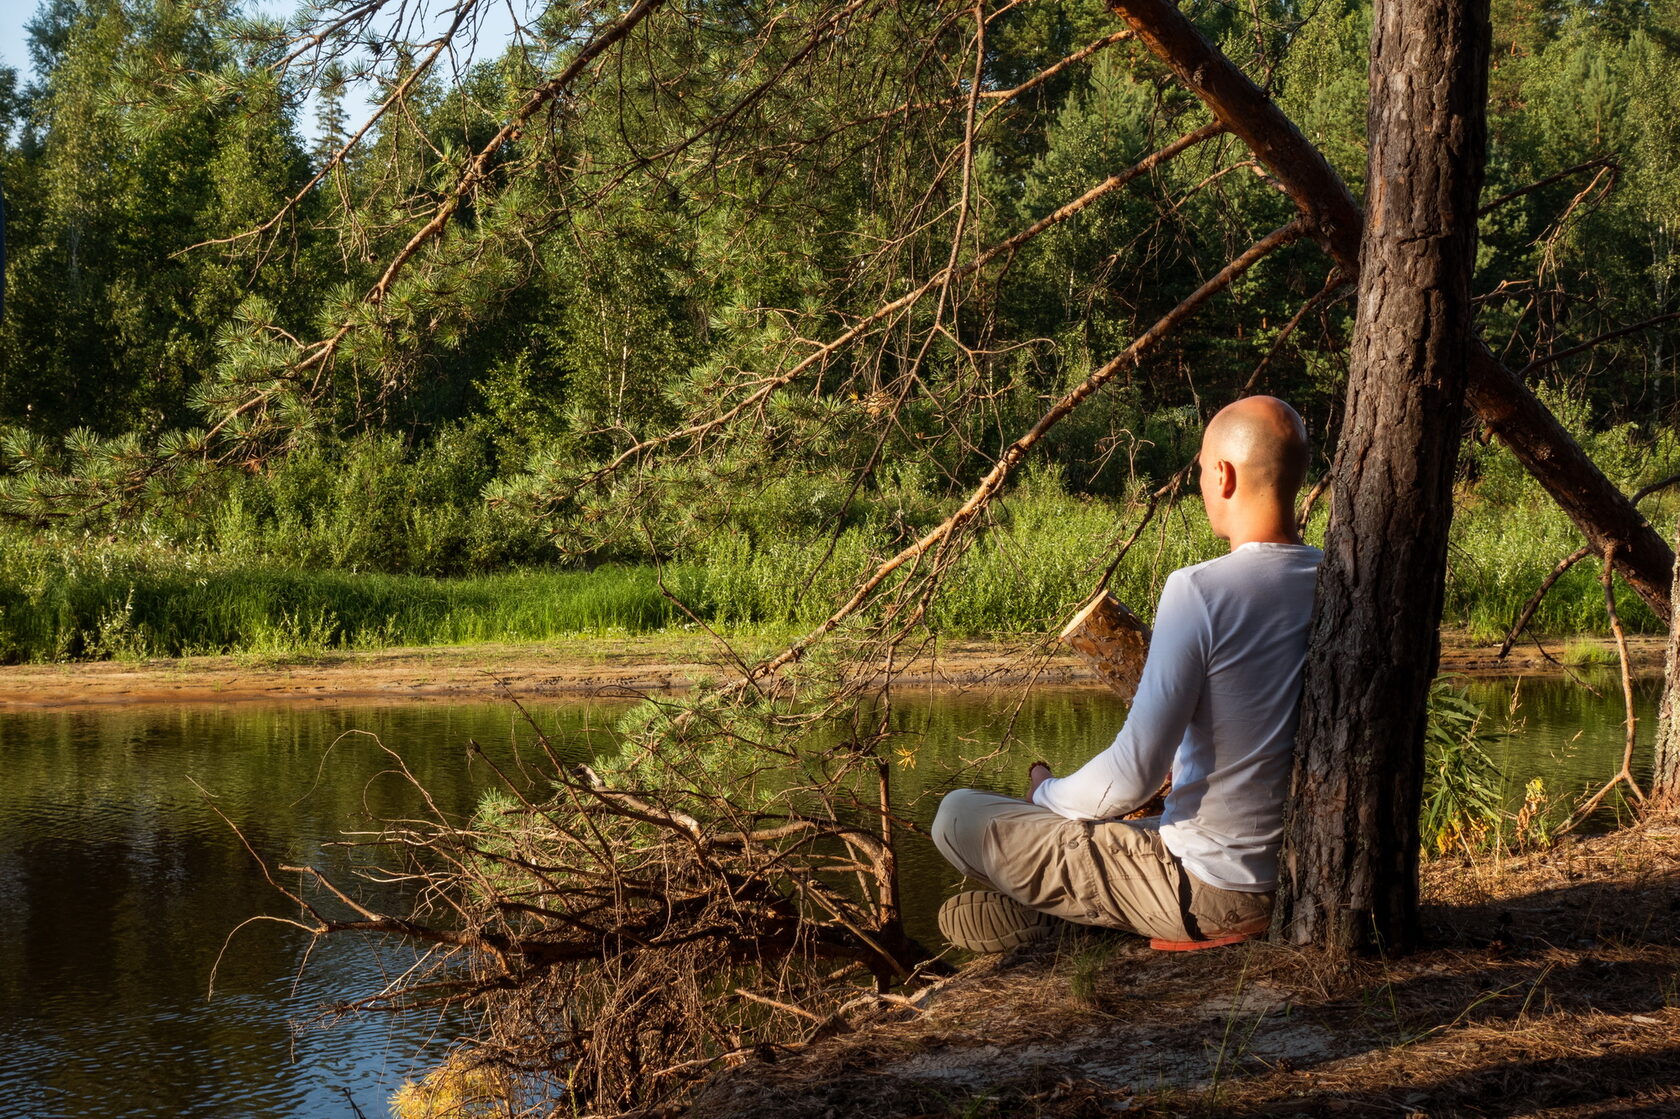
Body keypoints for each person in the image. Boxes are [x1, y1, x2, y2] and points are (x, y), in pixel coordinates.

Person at [931, 395, 1322, 953]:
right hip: (1299, 873)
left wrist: (1045, 795)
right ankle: (1072, 920)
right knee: (984, 898)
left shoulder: (1202, 590)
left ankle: (1083, 924)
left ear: (1224, 474)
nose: (1200, 488)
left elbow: (1135, 773)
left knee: (956, 816)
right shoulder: (1339, 579)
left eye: (1201, 472)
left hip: (1213, 886)